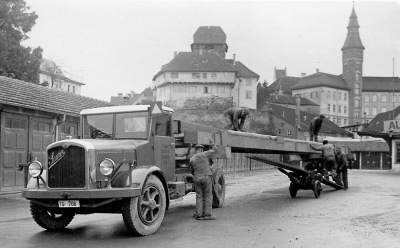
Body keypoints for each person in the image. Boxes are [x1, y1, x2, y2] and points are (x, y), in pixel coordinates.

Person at [189, 138, 218, 220]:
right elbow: (215, 150)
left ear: (195, 150)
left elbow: (191, 171)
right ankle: (208, 214)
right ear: (201, 149)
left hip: (197, 178)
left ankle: (199, 214)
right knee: (208, 195)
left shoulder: (192, 158)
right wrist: (212, 143)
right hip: (206, 177)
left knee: (199, 196)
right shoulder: (205, 154)